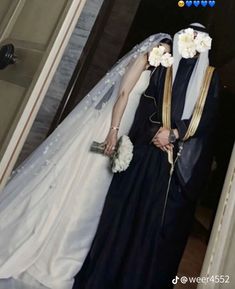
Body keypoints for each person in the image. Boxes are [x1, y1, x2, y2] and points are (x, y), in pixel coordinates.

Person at [0, 34, 171, 289]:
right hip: (109, 126)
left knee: (91, 190)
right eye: (162, 48)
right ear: (152, 46)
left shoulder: (152, 70)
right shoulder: (140, 60)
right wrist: (113, 130)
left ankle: (63, 249)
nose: (162, 53)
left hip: (120, 127)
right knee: (87, 183)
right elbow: (123, 93)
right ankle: (54, 250)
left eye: (166, 51)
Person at [72, 23, 219, 289]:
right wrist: (153, 131)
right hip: (143, 155)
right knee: (122, 218)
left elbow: (206, 120)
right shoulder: (164, 68)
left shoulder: (211, 79)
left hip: (173, 166)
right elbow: (145, 103)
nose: (192, 42)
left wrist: (173, 134)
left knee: (152, 230)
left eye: (198, 39)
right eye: (189, 36)